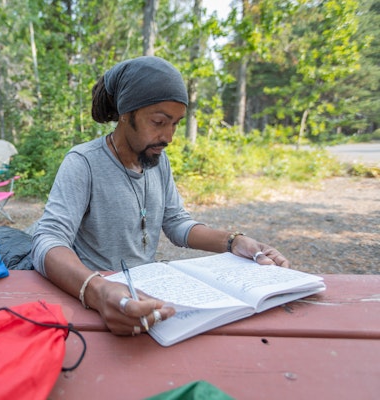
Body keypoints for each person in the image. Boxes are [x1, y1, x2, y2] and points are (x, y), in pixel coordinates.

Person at [30, 56, 290, 337]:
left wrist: (234, 242)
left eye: (176, 124)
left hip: (145, 294)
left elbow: (177, 223)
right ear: (126, 113)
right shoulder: (83, 163)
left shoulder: (157, 160)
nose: (168, 137)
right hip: (96, 297)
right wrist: (97, 290)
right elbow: (49, 240)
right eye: (158, 121)